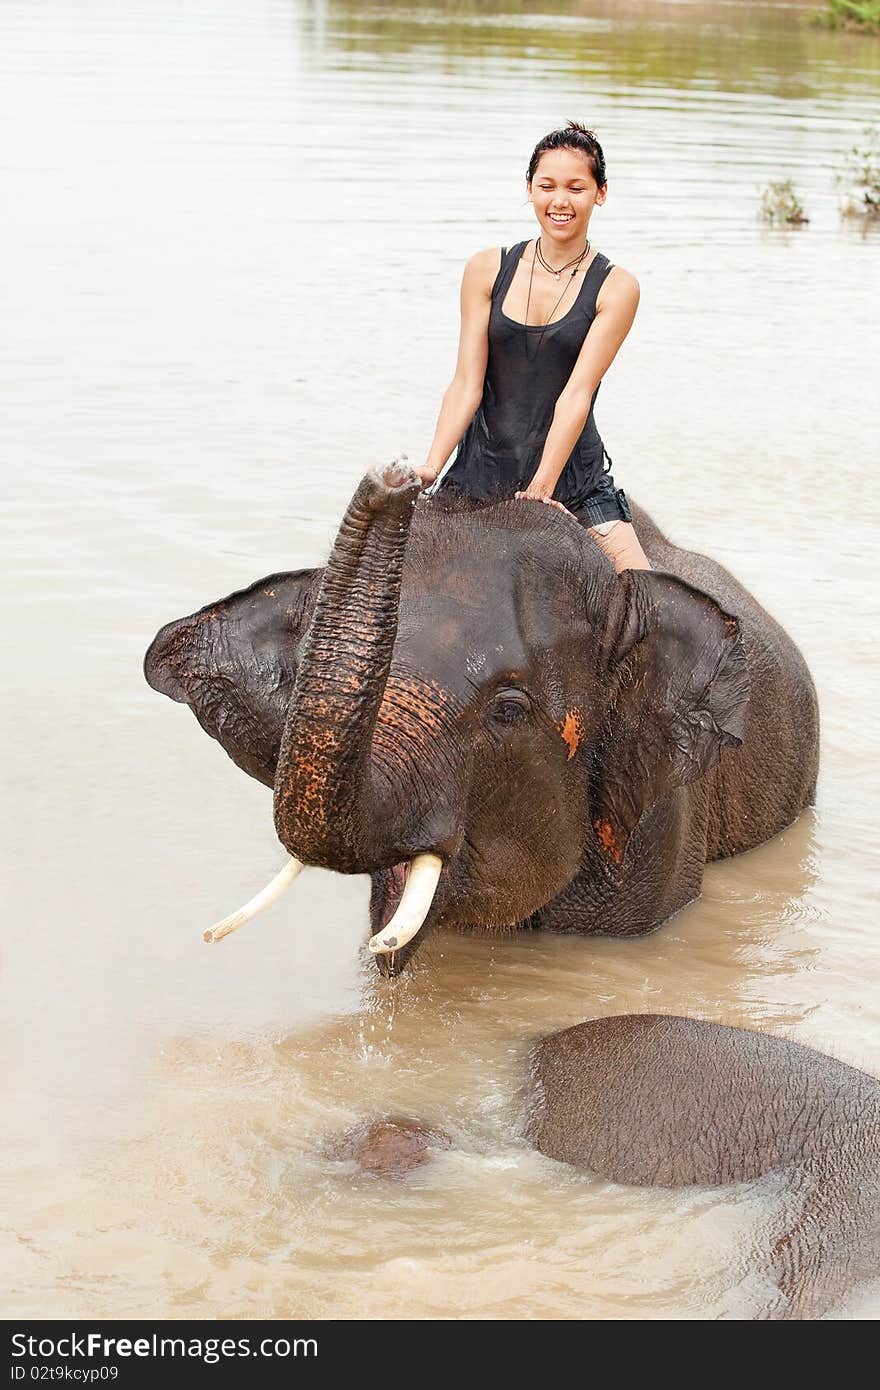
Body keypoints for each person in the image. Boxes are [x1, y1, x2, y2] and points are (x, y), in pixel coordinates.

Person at [417, 122, 651, 572]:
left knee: (648, 602)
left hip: (573, 482)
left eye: (575, 187)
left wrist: (542, 489)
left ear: (600, 193)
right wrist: (432, 464)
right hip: (479, 473)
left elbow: (576, 394)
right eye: (547, 186)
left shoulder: (617, 287)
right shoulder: (486, 269)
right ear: (530, 190)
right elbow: (466, 384)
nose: (559, 201)